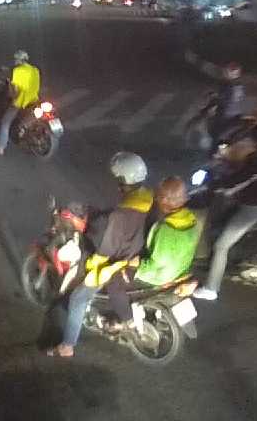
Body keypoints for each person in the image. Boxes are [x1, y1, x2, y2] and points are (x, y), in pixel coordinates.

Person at [46, 152, 152, 358]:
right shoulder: (147, 198)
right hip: (136, 253)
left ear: (124, 180)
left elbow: (106, 251)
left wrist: (91, 264)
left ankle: (67, 346)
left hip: (117, 262)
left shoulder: (120, 216)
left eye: (118, 180)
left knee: (78, 298)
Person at [193, 140, 257, 301]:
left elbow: (232, 184)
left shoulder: (252, 169)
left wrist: (213, 185)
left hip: (251, 210)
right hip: (253, 203)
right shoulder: (255, 160)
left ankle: (211, 289)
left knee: (221, 246)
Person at [0, 49, 41, 155]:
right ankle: (23, 129)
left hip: (21, 101)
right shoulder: (34, 70)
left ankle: (1, 148)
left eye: (16, 59)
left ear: (19, 60)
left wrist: (11, 95)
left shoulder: (18, 71)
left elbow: (15, 90)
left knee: (5, 122)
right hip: (34, 100)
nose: (15, 61)